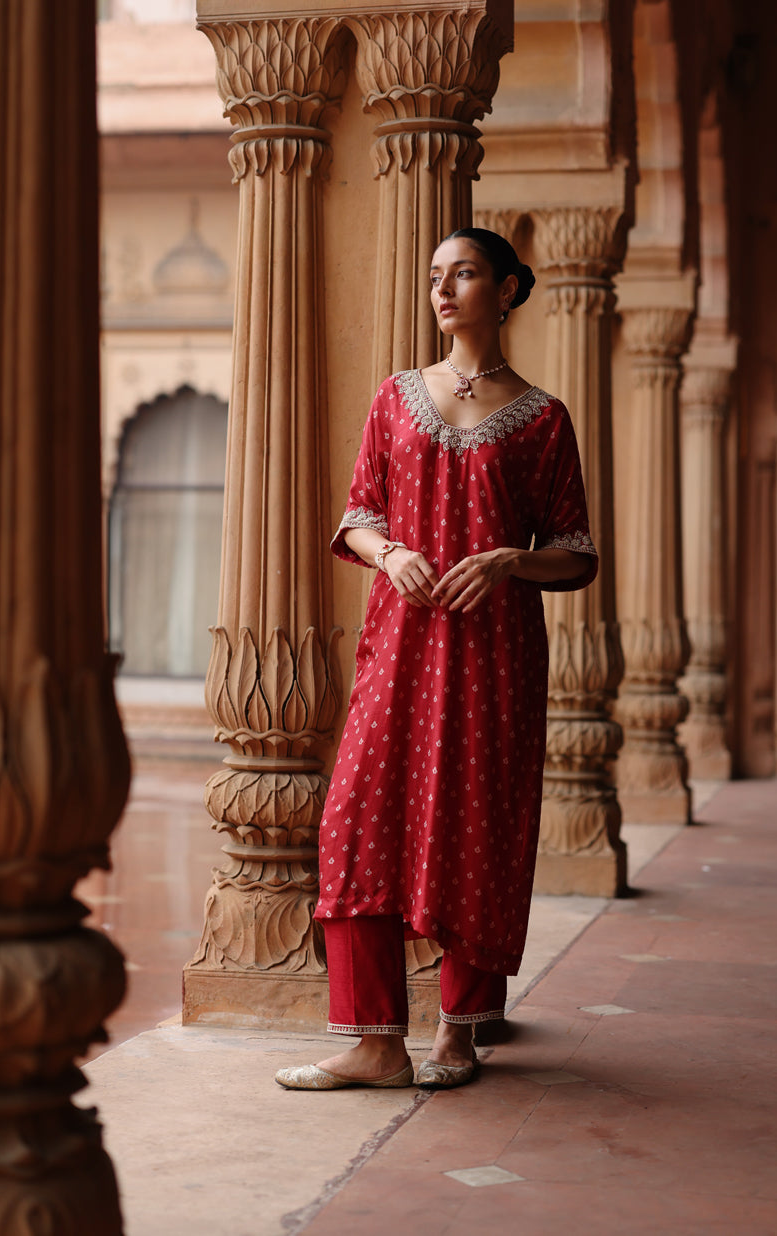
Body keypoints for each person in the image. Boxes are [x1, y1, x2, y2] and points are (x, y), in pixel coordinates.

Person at [274, 227, 597, 1091]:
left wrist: (508, 562)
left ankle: (459, 1028)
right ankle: (376, 1041)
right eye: (434, 277)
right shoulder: (395, 396)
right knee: (354, 815)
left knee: (477, 822)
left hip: (495, 651)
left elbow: (575, 551)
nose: (444, 290)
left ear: (508, 290)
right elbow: (356, 514)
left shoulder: (542, 418)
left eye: (465, 275)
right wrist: (389, 554)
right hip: (401, 642)